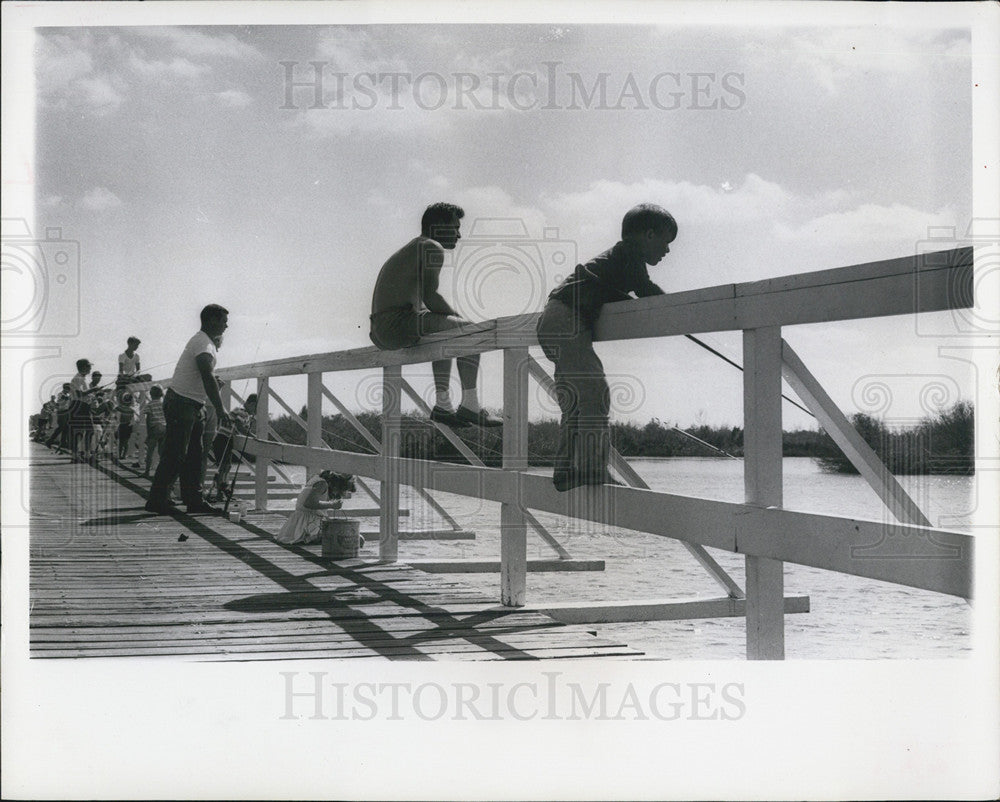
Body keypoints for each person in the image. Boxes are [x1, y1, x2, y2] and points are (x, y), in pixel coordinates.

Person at [536, 203, 677, 491]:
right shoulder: (629, 253)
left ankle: (565, 472)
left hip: (555, 318)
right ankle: (591, 470)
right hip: (567, 320)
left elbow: (614, 294)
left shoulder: (617, 259)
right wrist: (678, 311)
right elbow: (646, 291)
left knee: (576, 402)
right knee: (595, 394)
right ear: (648, 235)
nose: (667, 251)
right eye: (665, 242)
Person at [369, 202, 501, 428]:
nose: (459, 235)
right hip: (398, 322)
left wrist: (450, 321)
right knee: (470, 331)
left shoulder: (414, 246)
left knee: (446, 330)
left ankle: (443, 405)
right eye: (455, 227)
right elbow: (431, 297)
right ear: (438, 225)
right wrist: (458, 318)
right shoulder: (431, 246)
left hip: (383, 329)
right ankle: (470, 406)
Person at [145, 304, 231, 515]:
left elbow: (204, 375)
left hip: (192, 404)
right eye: (223, 320)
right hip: (182, 403)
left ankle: (194, 499)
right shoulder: (203, 342)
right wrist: (220, 409)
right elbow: (206, 374)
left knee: (194, 455)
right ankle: (156, 500)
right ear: (211, 320)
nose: (226, 325)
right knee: (176, 454)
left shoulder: (204, 342)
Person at [274, 470, 359, 546]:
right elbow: (309, 503)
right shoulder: (322, 484)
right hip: (308, 525)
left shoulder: (318, 480)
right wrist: (332, 504)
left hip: (303, 522)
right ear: (338, 484)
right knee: (355, 539)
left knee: (355, 538)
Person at [207, 393, 257, 502]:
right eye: (255, 408)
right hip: (222, 439)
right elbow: (239, 426)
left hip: (226, 440)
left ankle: (222, 489)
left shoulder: (243, 413)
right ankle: (220, 491)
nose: (255, 411)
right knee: (223, 466)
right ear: (251, 404)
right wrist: (253, 436)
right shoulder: (242, 412)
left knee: (227, 466)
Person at [143, 385, 167, 477]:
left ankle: (147, 472)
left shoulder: (150, 404)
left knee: (150, 451)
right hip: (164, 428)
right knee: (162, 452)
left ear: (150, 394)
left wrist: (148, 433)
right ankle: (162, 473)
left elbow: (148, 419)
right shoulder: (164, 404)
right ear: (161, 394)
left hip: (155, 428)